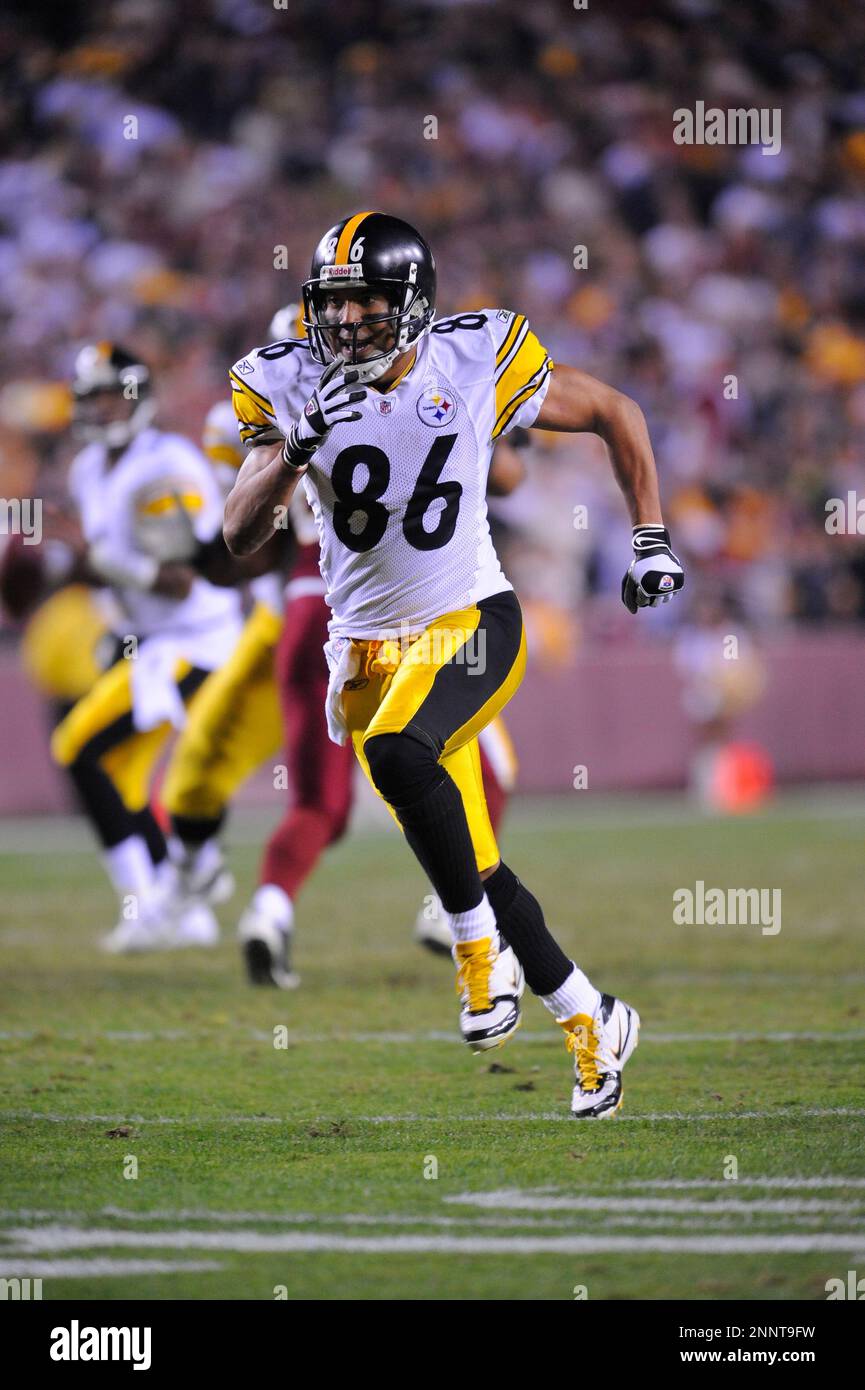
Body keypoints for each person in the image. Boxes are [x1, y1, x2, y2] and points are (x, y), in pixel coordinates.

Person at [224, 213, 684, 1118]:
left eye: (366, 300)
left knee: (400, 753)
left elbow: (613, 411)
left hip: (471, 617)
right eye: (334, 302)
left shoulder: (476, 355)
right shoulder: (283, 382)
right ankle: (593, 1020)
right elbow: (240, 534)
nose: (347, 321)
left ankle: (478, 960)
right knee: (474, 859)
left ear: (413, 303)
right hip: (363, 652)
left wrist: (649, 538)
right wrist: (289, 457)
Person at [50, 343, 244, 952]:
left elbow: (181, 579)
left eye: (111, 396)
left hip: (198, 639)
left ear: (135, 397)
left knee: (80, 746)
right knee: (118, 770)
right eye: (91, 399)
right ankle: (178, 908)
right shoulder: (88, 468)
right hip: (152, 639)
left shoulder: (167, 465)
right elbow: (111, 571)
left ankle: (155, 903)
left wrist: (105, 562)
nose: (101, 410)